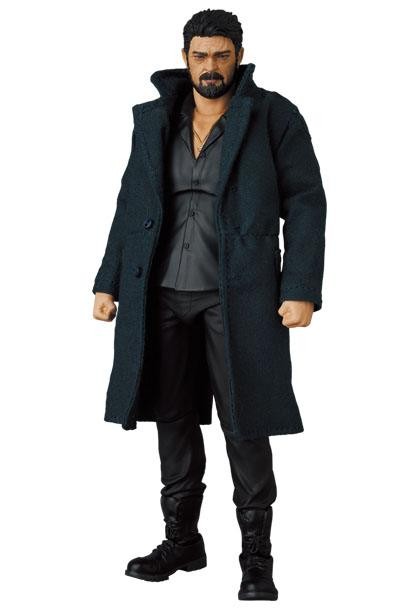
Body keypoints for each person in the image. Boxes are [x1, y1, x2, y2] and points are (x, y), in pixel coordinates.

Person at [92, 8, 327, 602]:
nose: (211, 66)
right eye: (200, 55)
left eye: (222, 55)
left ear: (238, 57)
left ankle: (256, 558)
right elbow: (130, 203)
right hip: (161, 292)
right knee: (170, 415)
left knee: (245, 419)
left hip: (239, 294)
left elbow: (306, 201)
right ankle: (182, 541)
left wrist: (300, 286)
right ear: (185, 58)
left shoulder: (273, 116)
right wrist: (108, 280)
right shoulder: (155, 121)